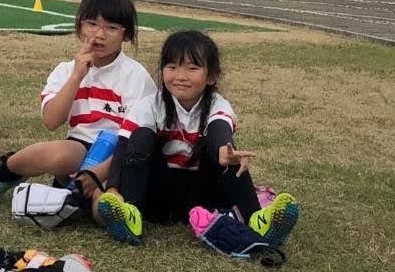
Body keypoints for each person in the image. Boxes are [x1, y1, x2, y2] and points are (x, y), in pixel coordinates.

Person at [94, 31, 300, 251]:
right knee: (140, 136)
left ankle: (256, 218)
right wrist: (114, 188)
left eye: (192, 68)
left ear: (211, 76)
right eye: (172, 67)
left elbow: (219, 127)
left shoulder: (217, 105)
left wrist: (223, 149)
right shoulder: (150, 105)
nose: (180, 75)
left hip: (204, 194)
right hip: (159, 197)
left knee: (226, 152)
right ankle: (131, 213)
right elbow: (124, 145)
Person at [0, 0, 155, 191]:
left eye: (111, 28)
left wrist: (101, 170)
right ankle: (6, 170)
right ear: (80, 27)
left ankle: (78, 198)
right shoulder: (66, 70)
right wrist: (77, 76)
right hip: (76, 151)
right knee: (61, 155)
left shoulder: (137, 76)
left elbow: (139, 139)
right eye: (92, 24)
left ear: (126, 34)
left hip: (117, 154)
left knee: (106, 196)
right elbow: (52, 121)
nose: (100, 34)